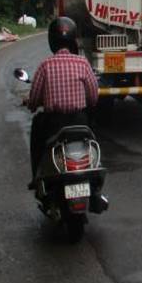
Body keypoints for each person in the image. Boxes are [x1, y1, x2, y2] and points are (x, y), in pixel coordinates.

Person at [27, 17, 99, 184]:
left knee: (37, 133)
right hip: (80, 120)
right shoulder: (82, 63)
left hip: (54, 123)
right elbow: (93, 96)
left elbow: (35, 97)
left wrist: (32, 104)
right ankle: (95, 173)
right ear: (73, 40)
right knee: (93, 138)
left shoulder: (45, 65)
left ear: (52, 41)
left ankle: (36, 178)